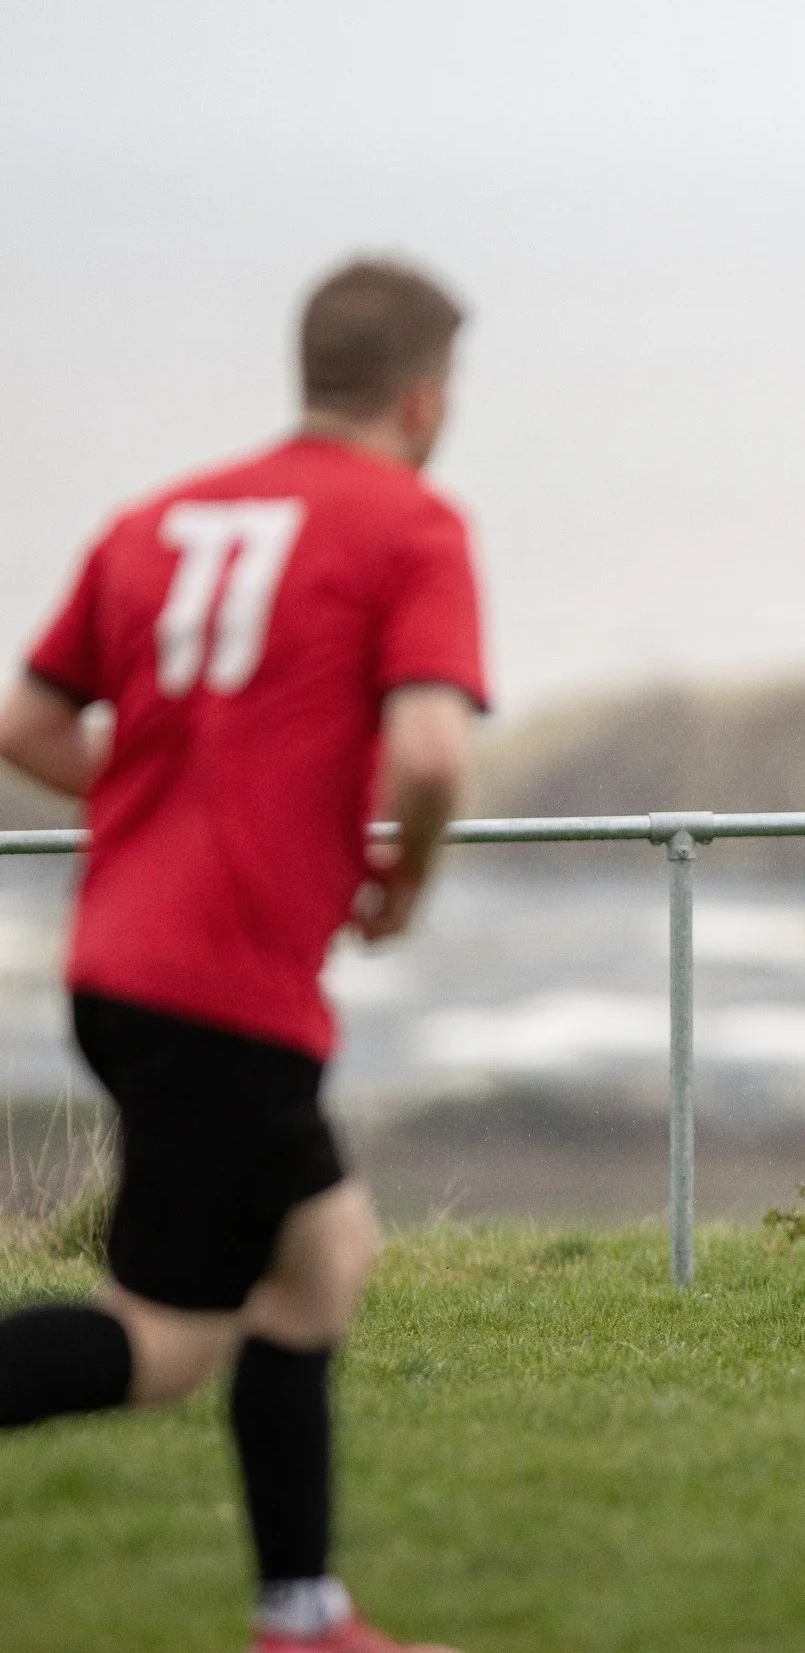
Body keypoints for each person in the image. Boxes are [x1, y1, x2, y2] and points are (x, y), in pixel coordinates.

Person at [0, 259, 487, 1653]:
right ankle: (304, 1619)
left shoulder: (157, 518)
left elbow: (26, 724)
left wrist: (167, 807)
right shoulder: (410, 523)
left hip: (118, 960)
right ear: (423, 396)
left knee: (323, 1253)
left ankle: (302, 1614)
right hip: (223, 990)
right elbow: (435, 746)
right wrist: (404, 874)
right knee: (160, 1344)